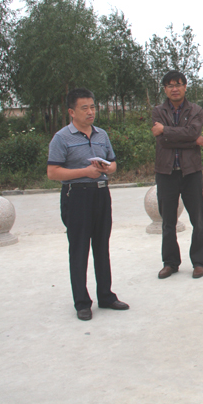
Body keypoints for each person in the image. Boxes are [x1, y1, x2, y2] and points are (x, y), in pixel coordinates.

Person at [47, 88, 129, 321]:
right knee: (79, 249)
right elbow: (53, 172)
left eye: (93, 107)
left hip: (101, 194)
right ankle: (82, 302)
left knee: (102, 246)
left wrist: (107, 169)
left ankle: (106, 296)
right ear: (72, 112)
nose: (91, 112)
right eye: (85, 108)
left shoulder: (102, 134)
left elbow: (113, 163)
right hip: (77, 196)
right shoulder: (62, 138)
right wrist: (85, 172)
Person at [152, 70, 203, 279]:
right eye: (170, 85)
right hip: (166, 172)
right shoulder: (158, 111)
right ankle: (170, 263)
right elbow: (163, 141)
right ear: (165, 89)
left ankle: (199, 262)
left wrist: (166, 130)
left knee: (198, 220)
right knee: (168, 221)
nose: (174, 89)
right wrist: (192, 141)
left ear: (185, 87)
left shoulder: (196, 110)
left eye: (178, 84)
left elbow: (192, 131)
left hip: (191, 171)